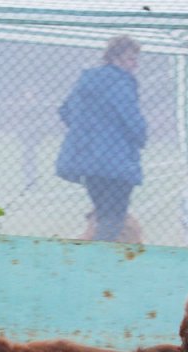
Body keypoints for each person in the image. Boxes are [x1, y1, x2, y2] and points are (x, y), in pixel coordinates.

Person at [55, 36, 147, 242]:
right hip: (116, 162)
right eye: (131, 59)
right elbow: (132, 118)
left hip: (88, 161)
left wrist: (89, 130)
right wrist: (141, 137)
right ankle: (97, 260)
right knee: (114, 218)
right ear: (116, 58)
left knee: (104, 214)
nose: (135, 64)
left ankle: (96, 255)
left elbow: (65, 111)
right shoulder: (121, 82)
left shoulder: (86, 80)